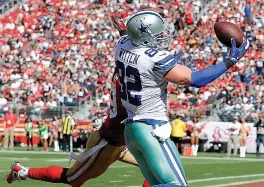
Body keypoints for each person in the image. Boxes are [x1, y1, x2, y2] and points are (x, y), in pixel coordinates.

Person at [6, 15, 151, 187]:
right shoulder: (132, 81)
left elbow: (130, 54)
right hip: (107, 144)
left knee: (157, 168)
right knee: (72, 179)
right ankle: (22, 171)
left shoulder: (125, 69)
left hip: (121, 140)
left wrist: (124, 35)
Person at [118, 10, 249, 186]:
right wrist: (229, 61)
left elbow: (126, 35)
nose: (163, 36)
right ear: (144, 37)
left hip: (131, 131)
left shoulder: (122, 44)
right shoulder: (155, 58)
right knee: (176, 185)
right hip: (151, 129)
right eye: (158, 34)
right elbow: (195, 80)